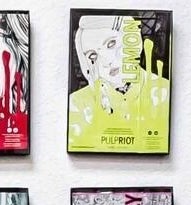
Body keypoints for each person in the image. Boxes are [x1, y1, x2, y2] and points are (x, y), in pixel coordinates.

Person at [67, 14, 170, 150]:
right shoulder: (77, 104)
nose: (107, 60)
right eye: (93, 55)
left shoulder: (166, 92)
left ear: (133, 41)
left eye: (111, 44)